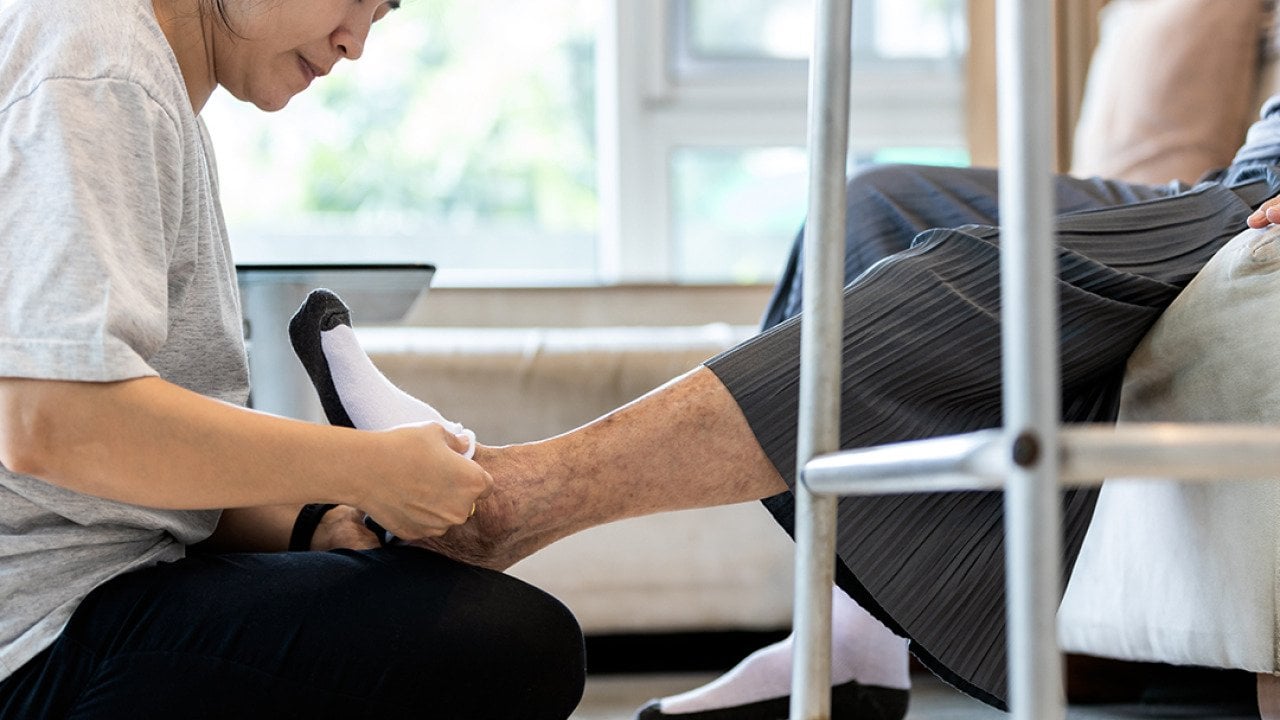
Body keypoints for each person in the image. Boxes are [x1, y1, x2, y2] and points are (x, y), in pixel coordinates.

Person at [284, 93, 1280, 719]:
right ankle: (849, 646)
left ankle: (510, 499)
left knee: (983, 271)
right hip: (1240, 169)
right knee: (871, 199)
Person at [0, 1, 586, 718]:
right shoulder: (102, 66)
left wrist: (310, 524)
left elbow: (122, 475)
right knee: (511, 647)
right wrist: (369, 467)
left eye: (384, 13)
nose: (356, 42)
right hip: (36, 645)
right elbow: (51, 422)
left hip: (88, 596)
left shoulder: (136, 77)